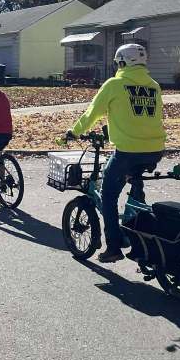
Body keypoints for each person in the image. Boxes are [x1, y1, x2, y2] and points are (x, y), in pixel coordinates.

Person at [66, 43, 166, 264]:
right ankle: (138, 233)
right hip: (155, 149)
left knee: (108, 195)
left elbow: (92, 113)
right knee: (135, 185)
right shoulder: (154, 86)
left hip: (128, 151)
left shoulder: (114, 84)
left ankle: (113, 247)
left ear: (122, 62)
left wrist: (74, 131)